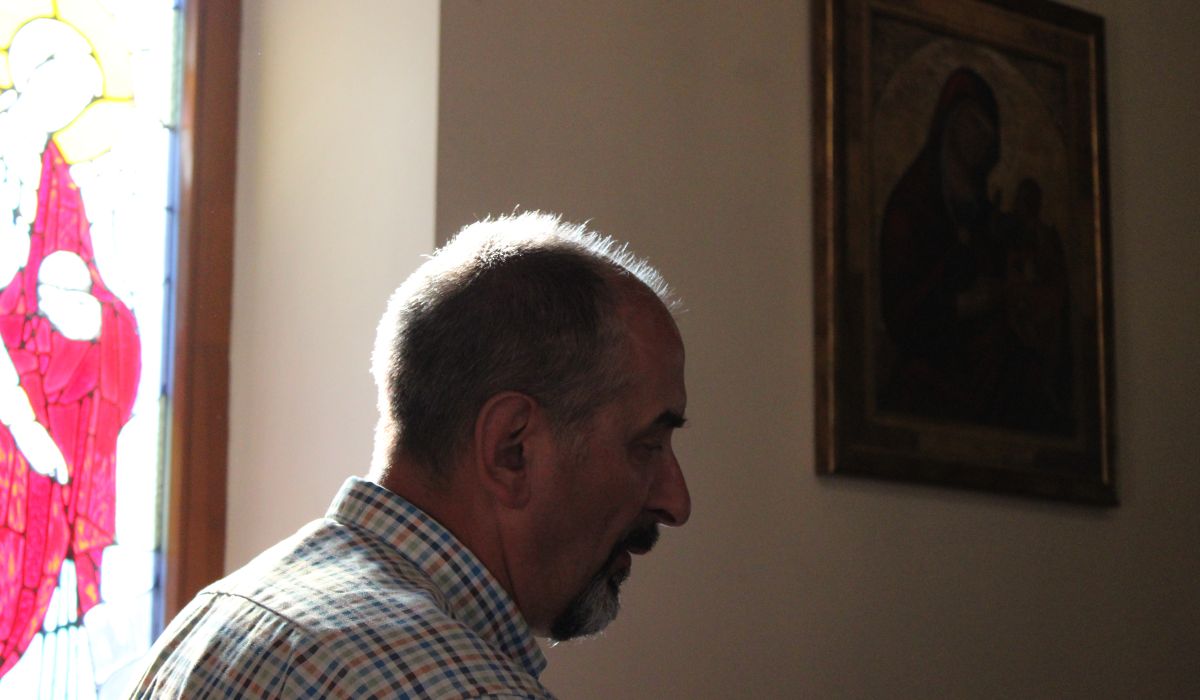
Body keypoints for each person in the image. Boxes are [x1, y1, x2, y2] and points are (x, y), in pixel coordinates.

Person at [129, 211, 692, 699]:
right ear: (512, 449)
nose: (677, 502)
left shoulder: (216, 622)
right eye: (646, 446)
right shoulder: (469, 691)